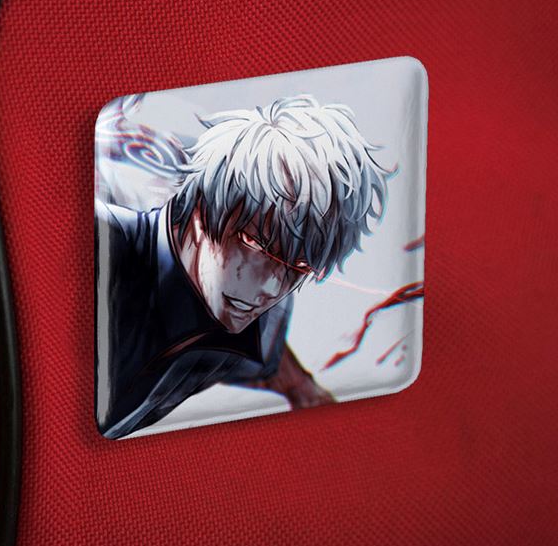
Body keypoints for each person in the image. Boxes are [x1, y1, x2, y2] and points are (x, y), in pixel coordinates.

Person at [96, 94, 391, 438]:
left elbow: (279, 368)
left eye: (298, 266)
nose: (270, 288)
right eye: (254, 244)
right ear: (202, 207)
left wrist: (308, 396)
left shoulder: (259, 328)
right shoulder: (106, 243)